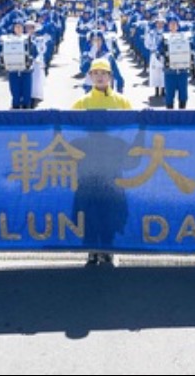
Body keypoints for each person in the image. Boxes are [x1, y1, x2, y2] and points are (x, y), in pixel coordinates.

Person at [71, 57, 133, 265]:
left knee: (110, 207)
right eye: (95, 73)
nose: (99, 77)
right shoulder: (81, 103)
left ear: (110, 77)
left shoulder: (122, 102)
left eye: (103, 73)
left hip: (112, 164)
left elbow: (130, 132)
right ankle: (91, 248)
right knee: (88, 207)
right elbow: (73, 133)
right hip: (88, 165)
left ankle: (107, 247)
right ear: (89, 77)